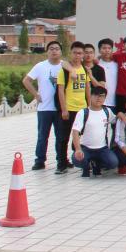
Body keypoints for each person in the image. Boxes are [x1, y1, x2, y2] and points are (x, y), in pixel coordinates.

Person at [22, 41, 63, 171]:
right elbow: (26, 80)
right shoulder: (40, 66)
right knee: (42, 136)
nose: (54, 51)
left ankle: (62, 160)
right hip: (44, 108)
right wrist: (36, 94)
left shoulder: (64, 66)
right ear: (47, 51)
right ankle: (40, 160)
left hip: (60, 108)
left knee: (61, 137)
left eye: (57, 49)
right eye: (51, 49)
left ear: (61, 51)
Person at [55, 41, 91, 175]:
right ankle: (61, 164)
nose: (77, 55)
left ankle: (79, 158)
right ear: (71, 53)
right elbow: (60, 90)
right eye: (75, 53)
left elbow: (87, 88)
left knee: (81, 135)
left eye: (80, 53)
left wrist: (89, 107)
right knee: (63, 137)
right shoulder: (64, 70)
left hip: (82, 109)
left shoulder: (84, 69)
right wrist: (64, 109)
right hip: (69, 108)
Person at [70, 88, 118, 177]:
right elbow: (75, 132)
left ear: (105, 98)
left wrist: (121, 115)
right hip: (85, 148)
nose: (98, 98)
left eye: (102, 96)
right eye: (96, 95)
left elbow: (116, 120)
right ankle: (86, 167)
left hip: (102, 148)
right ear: (90, 96)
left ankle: (96, 164)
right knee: (77, 159)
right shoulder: (83, 112)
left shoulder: (107, 111)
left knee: (113, 162)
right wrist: (78, 149)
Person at [96, 39, 119, 112]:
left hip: (115, 102)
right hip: (100, 102)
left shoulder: (117, 65)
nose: (107, 50)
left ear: (112, 50)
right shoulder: (96, 64)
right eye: (104, 48)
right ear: (99, 50)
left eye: (109, 48)